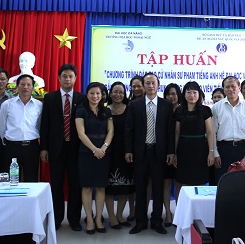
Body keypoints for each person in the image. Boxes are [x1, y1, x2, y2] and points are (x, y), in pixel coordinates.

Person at [125, 72, 175, 235]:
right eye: (147, 83)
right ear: (143, 86)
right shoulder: (135, 105)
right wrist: (128, 150)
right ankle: (140, 222)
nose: (151, 86)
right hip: (140, 152)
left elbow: (170, 130)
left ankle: (156, 221)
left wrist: (170, 151)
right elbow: (129, 129)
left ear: (158, 85)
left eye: (153, 83)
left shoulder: (166, 104)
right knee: (140, 188)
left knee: (158, 188)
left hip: (159, 152)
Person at [40, 64, 85, 231]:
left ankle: (74, 220)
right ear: (59, 78)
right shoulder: (49, 98)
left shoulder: (82, 98)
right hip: (55, 148)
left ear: (75, 78)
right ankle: (57, 219)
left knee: (75, 185)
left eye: (70, 76)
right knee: (56, 185)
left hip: (76, 149)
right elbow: (45, 124)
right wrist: (44, 148)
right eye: (64, 76)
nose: (67, 79)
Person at [75, 82, 114, 235]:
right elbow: (81, 133)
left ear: (102, 95)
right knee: (87, 187)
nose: (95, 96)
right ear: (87, 94)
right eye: (92, 93)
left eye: (98, 93)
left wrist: (103, 147)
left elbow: (111, 131)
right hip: (86, 152)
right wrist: (94, 149)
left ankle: (98, 218)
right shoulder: (81, 110)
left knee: (100, 187)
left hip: (104, 153)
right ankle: (89, 219)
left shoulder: (106, 111)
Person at [212, 76, 245, 183]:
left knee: (243, 183)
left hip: (243, 149)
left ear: (239, 88)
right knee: (223, 183)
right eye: (227, 87)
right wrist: (215, 153)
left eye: (233, 86)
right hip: (223, 150)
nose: (230, 89)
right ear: (224, 89)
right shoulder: (216, 107)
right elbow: (213, 133)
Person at [0, 74, 43, 182]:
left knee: (31, 179)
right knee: (12, 180)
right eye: (22, 84)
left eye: (29, 84)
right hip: (12, 147)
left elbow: (40, 126)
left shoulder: (39, 105)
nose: (25, 87)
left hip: (32, 146)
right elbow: (2, 127)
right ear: (17, 86)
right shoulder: (7, 104)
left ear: (33, 87)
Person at [174, 81, 214, 195]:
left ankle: (199, 206)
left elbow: (210, 132)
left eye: (195, 92)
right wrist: (174, 152)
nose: (192, 95)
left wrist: (211, 152)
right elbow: (177, 132)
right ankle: (182, 206)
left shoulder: (205, 110)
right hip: (183, 149)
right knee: (182, 182)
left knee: (200, 181)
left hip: (200, 150)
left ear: (199, 94)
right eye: (188, 92)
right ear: (184, 95)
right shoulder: (179, 110)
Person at [105, 81, 135, 229]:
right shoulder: (104, 110)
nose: (118, 95)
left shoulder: (130, 109)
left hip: (125, 152)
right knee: (109, 187)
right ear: (110, 94)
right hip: (107, 152)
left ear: (125, 94)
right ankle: (111, 217)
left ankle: (119, 215)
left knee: (125, 186)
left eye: (121, 92)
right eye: (115, 92)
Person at [162, 83, 181, 227]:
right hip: (166, 151)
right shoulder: (163, 110)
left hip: (182, 151)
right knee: (166, 183)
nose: (171, 97)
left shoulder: (184, 109)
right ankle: (168, 213)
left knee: (179, 183)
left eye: (174, 94)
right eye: (168, 94)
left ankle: (180, 214)